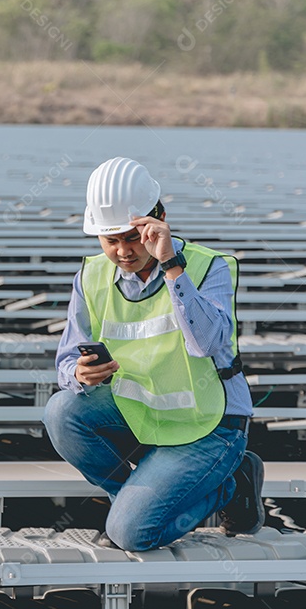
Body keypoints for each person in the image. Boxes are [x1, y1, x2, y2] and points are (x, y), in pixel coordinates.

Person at [42, 157, 264, 551]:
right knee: (61, 411)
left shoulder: (206, 266)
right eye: (111, 241)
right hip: (144, 413)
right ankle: (134, 501)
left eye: (132, 237)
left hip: (209, 424)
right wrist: (78, 374)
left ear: (158, 220)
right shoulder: (91, 276)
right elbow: (64, 362)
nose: (124, 251)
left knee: (131, 535)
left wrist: (171, 266)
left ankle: (229, 488)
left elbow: (207, 344)